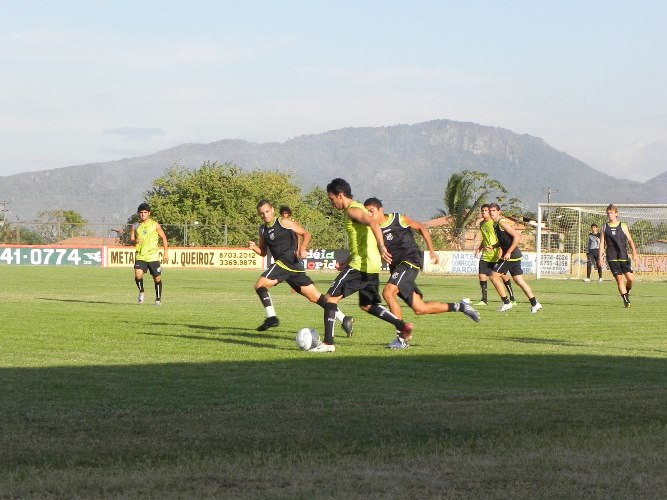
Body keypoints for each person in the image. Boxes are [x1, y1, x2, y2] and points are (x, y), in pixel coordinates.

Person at [309, 178, 415, 352]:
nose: (331, 202)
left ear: (340, 195)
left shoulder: (353, 210)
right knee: (367, 305)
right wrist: (347, 259)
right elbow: (363, 240)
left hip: (360, 265)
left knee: (330, 299)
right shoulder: (359, 207)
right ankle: (401, 325)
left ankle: (328, 343)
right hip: (371, 266)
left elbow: (373, 223)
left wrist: (382, 246)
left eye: (331, 198)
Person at [363, 197, 480, 329]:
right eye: (366, 212)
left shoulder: (398, 219)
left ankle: (402, 335)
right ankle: (461, 306)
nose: (369, 215)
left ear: (381, 210)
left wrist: (431, 250)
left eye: (371, 211)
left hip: (410, 259)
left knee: (388, 293)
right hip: (397, 268)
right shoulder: (372, 229)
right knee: (420, 308)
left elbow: (422, 227)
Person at [248, 199, 354, 334]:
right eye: (261, 213)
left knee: (259, 285)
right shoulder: (262, 229)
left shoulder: (283, 222)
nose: (265, 215)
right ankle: (344, 318)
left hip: (288, 261)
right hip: (291, 267)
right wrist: (253, 248)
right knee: (314, 297)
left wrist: (302, 248)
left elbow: (306, 234)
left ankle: (271, 317)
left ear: (273, 210)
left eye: (267, 211)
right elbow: (263, 252)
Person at [487, 203, 542, 313]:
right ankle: (535, 303)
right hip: (515, 255)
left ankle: (507, 303)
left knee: (493, 277)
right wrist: (494, 246)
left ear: (499, 212)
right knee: (519, 280)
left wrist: (508, 252)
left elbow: (517, 236)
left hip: (510, 256)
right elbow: (505, 240)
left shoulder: (502, 223)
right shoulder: (495, 224)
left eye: (493, 210)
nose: (491, 213)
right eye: (490, 211)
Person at [474, 204, 516, 306]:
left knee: (503, 276)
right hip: (486, 254)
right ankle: (484, 300)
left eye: (486, 211)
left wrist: (501, 250)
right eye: (482, 211)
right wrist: (479, 248)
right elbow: (485, 238)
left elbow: (501, 237)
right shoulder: (482, 224)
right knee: (482, 275)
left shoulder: (494, 223)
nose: (484, 212)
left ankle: (512, 298)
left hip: (496, 253)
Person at [598, 204, 638, 307]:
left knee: (630, 279)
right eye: (608, 213)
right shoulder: (604, 227)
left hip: (623, 255)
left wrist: (634, 253)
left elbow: (630, 240)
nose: (609, 215)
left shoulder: (623, 226)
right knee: (619, 279)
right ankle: (626, 300)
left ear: (616, 214)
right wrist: (600, 257)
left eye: (611, 213)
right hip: (611, 256)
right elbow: (602, 243)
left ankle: (627, 291)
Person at [129, 203, 169, 306]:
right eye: (141, 213)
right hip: (141, 256)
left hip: (153, 256)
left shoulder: (155, 225)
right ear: (138, 213)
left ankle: (158, 299)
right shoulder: (135, 225)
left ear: (149, 213)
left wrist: (166, 253)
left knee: (157, 278)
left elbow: (164, 238)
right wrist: (135, 241)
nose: (143, 214)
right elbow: (131, 241)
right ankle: (141, 291)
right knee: (138, 275)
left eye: (145, 212)